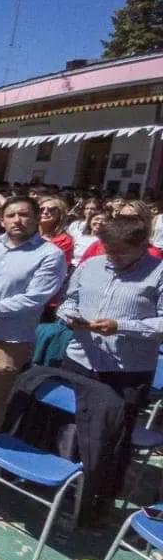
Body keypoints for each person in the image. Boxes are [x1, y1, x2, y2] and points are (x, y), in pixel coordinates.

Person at [58, 215, 163, 517]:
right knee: (71, 427)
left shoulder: (157, 274)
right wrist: (70, 315)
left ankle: (98, 501)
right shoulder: (91, 266)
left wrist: (122, 326)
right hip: (81, 360)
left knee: (111, 439)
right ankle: (65, 488)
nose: (112, 258)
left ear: (143, 245)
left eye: (121, 252)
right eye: (108, 250)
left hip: (125, 372)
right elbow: (70, 299)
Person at [0, 196, 67, 438]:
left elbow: (35, 298)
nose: (18, 220)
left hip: (11, 338)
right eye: (11, 215)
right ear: (2, 220)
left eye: (24, 214)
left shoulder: (50, 255)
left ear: (37, 218)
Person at [79, 201, 163, 264]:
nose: (126, 222)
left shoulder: (153, 254)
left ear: (145, 222)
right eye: (122, 217)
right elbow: (81, 269)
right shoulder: (99, 245)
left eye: (133, 218)